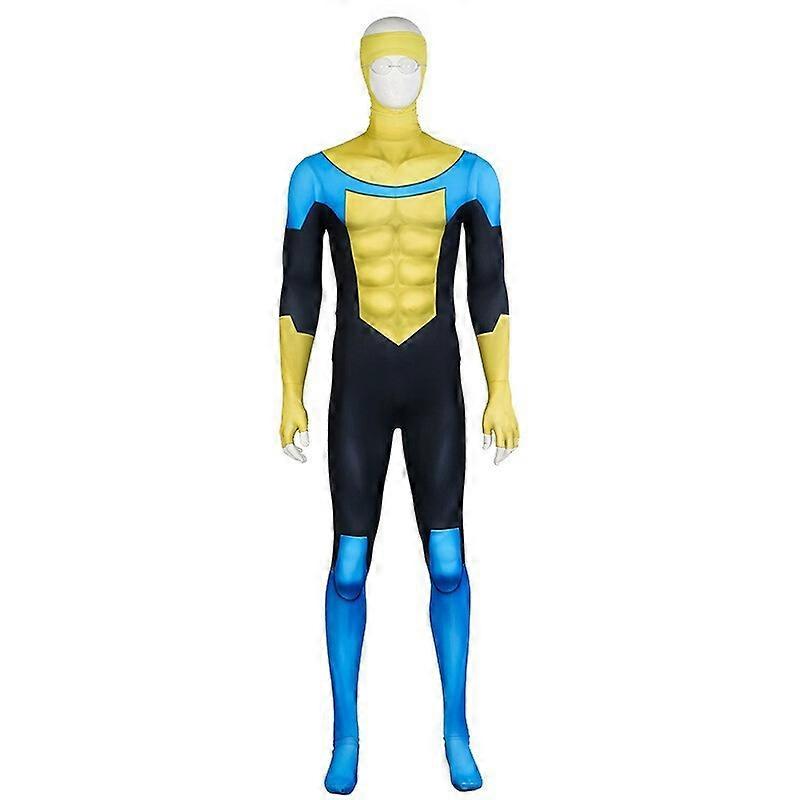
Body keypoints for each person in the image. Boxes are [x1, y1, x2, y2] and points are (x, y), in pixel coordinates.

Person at [278, 16, 519, 793]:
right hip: (357, 388)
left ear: (425, 69)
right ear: (361, 69)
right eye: (381, 63)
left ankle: (456, 729)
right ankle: (346, 735)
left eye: (405, 63)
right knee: (349, 567)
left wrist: (502, 389)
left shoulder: (470, 175)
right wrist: (289, 392)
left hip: (434, 389)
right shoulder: (318, 177)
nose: (394, 75)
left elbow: (488, 288)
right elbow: (299, 290)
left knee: (447, 561)